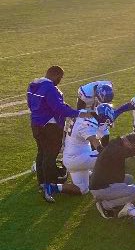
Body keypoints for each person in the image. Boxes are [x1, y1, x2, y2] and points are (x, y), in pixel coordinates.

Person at [27, 66, 94, 203]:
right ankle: (48, 186)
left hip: (36, 124)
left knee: (42, 152)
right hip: (49, 127)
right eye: (60, 78)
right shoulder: (50, 88)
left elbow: (38, 104)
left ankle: (41, 182)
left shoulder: (34, 85)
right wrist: (80, 113)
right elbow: (58, 108)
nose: (60, 80)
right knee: (49, 156)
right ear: (56, 75)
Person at [89, 133, 135, 217]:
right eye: (132, 146)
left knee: (129, 179)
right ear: (126, 142)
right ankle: (106, 205)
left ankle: (111, 196)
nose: (132, 148)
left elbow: (131, 151)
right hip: (101, 188)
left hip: (102, 183)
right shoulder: (116, 150)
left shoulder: (116, 144)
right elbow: (131, 152)